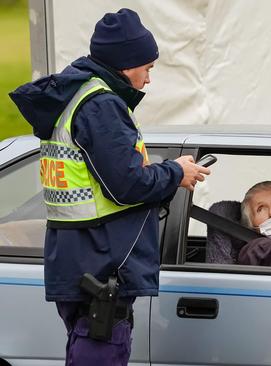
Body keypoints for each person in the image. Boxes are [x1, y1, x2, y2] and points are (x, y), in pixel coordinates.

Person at [9, 8, 210, 365]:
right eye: (147, 68)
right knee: (101, 347)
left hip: (81, 258)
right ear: (126, 63)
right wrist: (175, 173)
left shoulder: (77, 96)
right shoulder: (100, 105)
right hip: (101, 264)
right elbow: (127, 185)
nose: (148, 79)